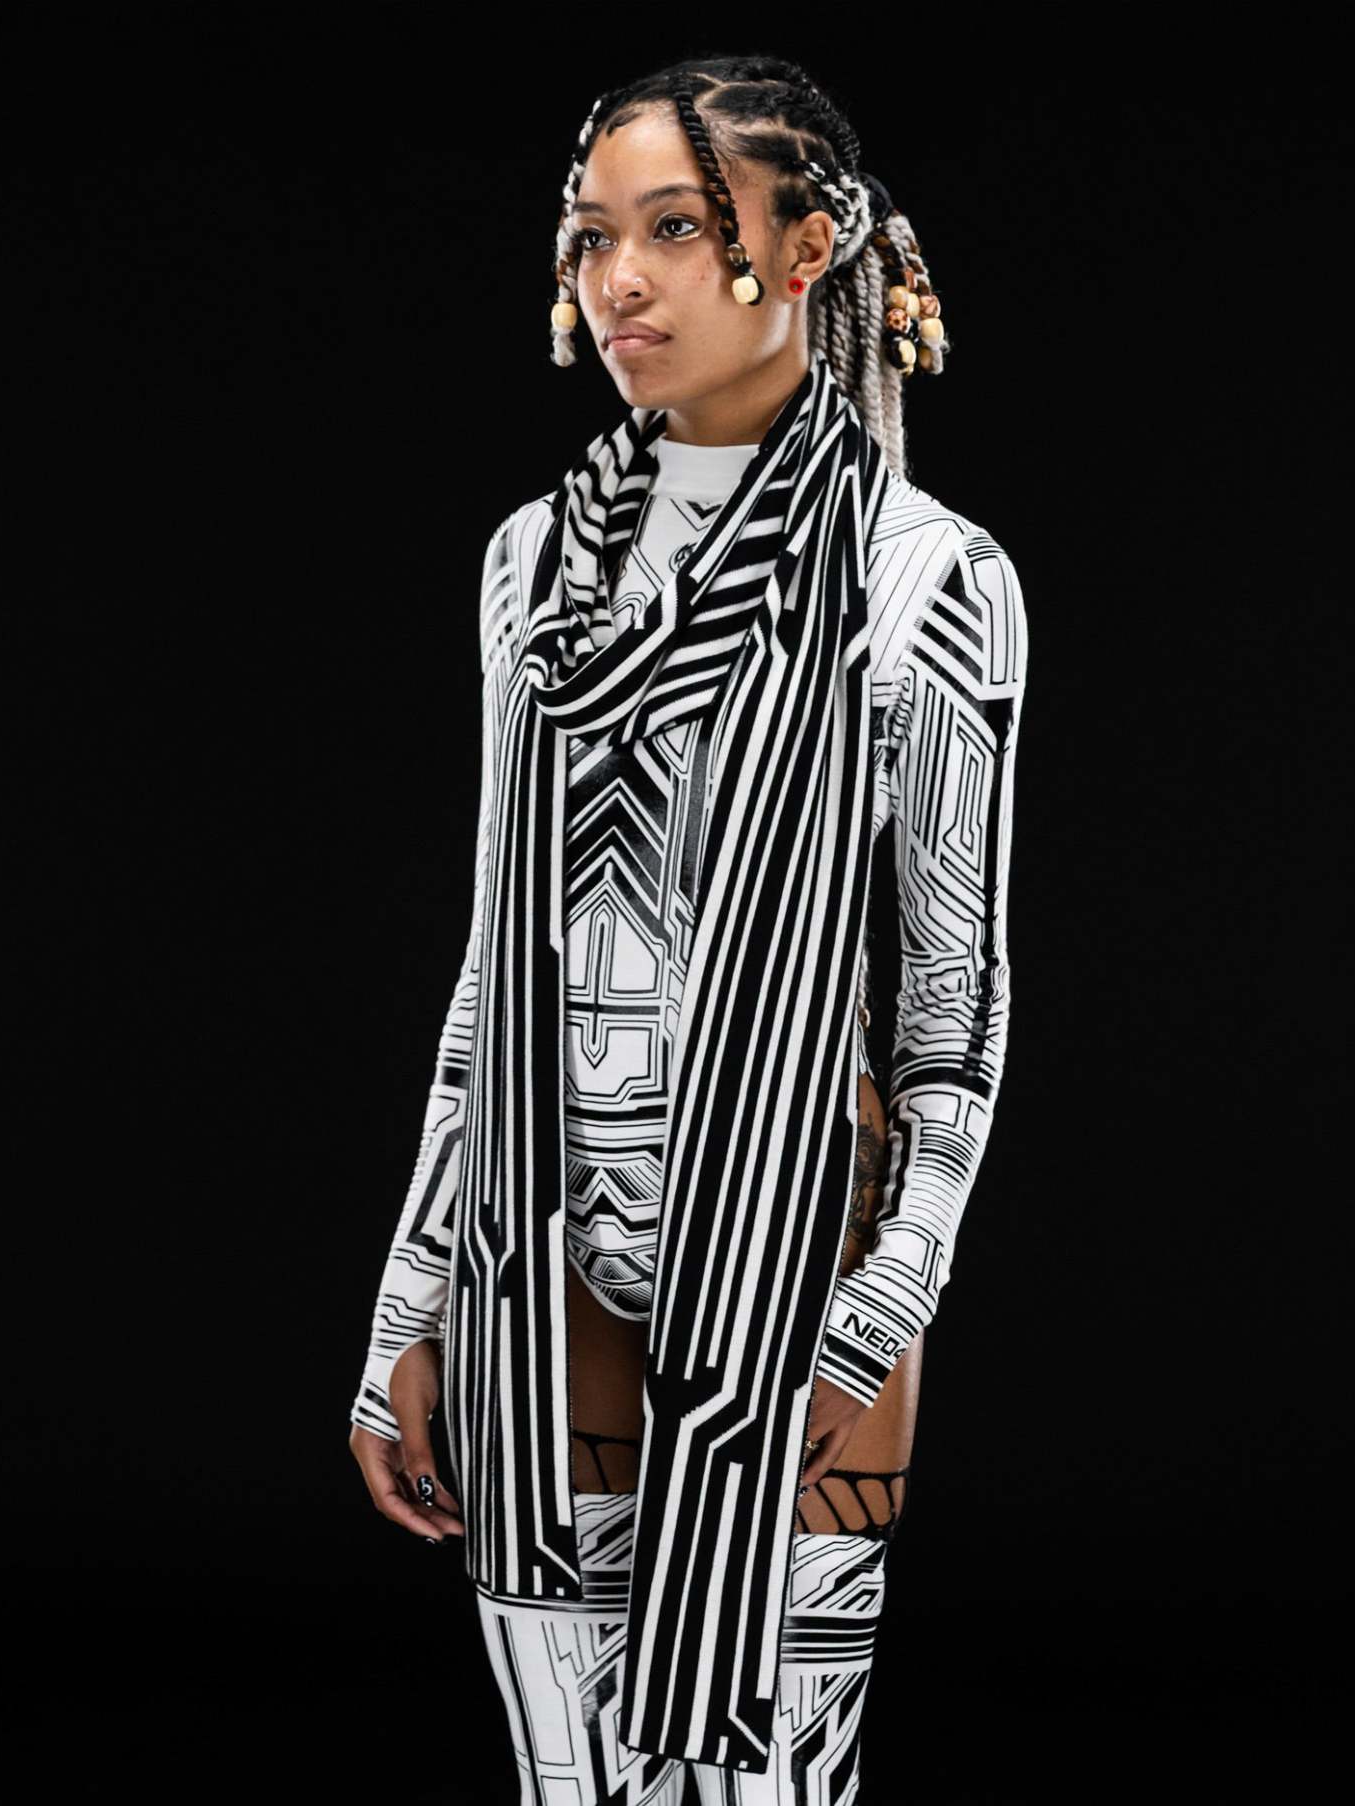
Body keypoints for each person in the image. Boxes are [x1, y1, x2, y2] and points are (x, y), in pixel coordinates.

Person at [348, 53, 1028, 1805]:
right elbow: (496, 962)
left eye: (670, 228)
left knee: (763, 1785)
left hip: (807, 1247)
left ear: (805, 249)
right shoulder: (530, 564)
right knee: (569, 1777)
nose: (617, 281)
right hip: (535, 1246)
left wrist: (887, 1298)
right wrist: (406, 1295)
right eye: (590, 237)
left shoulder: (930, 577)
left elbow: (950, 1006)